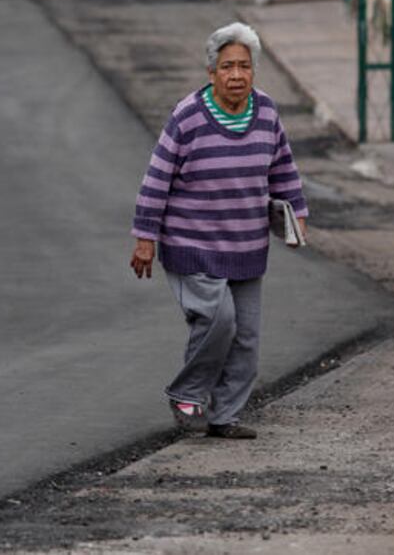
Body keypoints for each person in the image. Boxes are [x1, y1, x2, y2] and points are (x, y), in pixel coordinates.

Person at [129, 22, 309, 440]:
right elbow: (156, 179)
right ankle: (188, 393)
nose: (236, 75)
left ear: (254, 71)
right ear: (211, 72)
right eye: (227, 66)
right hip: (192, 244)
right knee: (219, 319)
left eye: (244, 66)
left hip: (246, 244)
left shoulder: (265, 112)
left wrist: (296, 213)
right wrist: (145, 237)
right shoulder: (188, 116)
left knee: (246, 338)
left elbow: (283, 167)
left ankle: (224, 416)